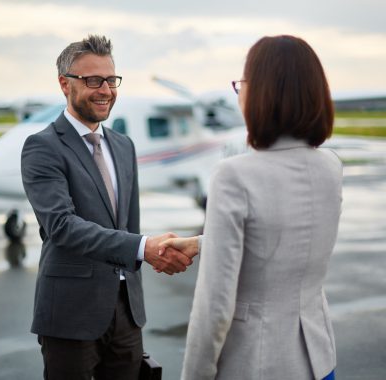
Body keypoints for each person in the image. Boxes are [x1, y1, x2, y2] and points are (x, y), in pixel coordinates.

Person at [160, 35, 341, 380]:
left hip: (257, 365)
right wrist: (203, 242)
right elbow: (283, 236)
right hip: (317, 358)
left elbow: (214, 306)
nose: (239, 92)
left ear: (262, 92)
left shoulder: (234, 174)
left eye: (242, 83)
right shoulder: (330, 166)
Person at [21, 35, 193, 380]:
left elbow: (127, 224)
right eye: (92, 80)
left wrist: (147, 255)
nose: (105, 90)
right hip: (70, 313)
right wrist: (146, 248)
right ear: (64, 84)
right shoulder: (42, 148)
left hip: (127, 312)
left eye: (110, 80)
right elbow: (62, 227)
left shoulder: (123, 146)